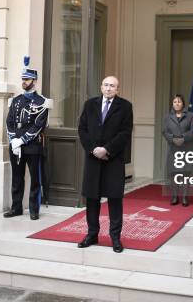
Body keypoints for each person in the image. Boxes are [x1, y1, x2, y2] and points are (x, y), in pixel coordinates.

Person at [77, 76, 133, 253]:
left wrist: (107, 149)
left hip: (113, 160)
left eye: (113, 86)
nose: (109, 88)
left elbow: (125, 133)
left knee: (115, 199)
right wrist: (93, 149)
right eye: (106, 85)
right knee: (92, 199)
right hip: (93, 159)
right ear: (101, 87)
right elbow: (82, 129)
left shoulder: (125, 106)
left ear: (118, 89)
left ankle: (115, 238)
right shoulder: (89, 104)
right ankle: (92, 234)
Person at [3, 57, 50, 220]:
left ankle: (34, 209)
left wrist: (22, 140)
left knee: (35, 179)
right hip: (16, 145)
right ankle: (16, 207)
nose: (24, 82)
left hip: (32, 145)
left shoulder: (42, 102)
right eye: (23, 79)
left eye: (27, 79)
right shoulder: (15, 101)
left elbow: (39, 125)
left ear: (34, 81)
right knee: (17, 177)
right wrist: (13, 140)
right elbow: (9, 121)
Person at [162, 94, 193, 206]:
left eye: (179, 102)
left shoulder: (190, 115)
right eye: (175, 102)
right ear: (172, 104)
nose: (177, 104)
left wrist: (183, 138)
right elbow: (165, 132)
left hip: (187, 148)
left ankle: (185, 197)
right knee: (174, 173)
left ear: (183, 103)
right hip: (173, 148)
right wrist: (173, 139)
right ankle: (174, 197)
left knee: (186, 173)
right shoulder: (167, 117)